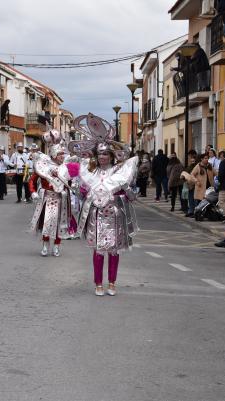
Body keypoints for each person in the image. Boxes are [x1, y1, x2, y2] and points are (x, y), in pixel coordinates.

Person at [62, 114, 139, 297]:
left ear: (111, 155)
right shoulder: (90, 172)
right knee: (98, 251)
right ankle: (98, 283)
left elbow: (130, 196)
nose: (103, 156)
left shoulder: (120, 171)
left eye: (105, 153)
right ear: (95, 156)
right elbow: (81, 193)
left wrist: (126, 190)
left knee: (113, 251)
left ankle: (112, 283)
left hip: (114, 215)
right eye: (100, 154)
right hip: (96, 216)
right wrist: (77, 186)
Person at [28, 130, 77, 257]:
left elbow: (72, 183)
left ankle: (56, 246)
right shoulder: (43, 165)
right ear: (54, 154)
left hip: (62, 199)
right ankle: (45, 246)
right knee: (46, 222)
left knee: (60, 225)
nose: (62, 156)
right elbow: (32, 180)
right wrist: (33, 192)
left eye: (63, 154)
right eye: (60, 154)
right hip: (47, 199)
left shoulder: (66, 167)